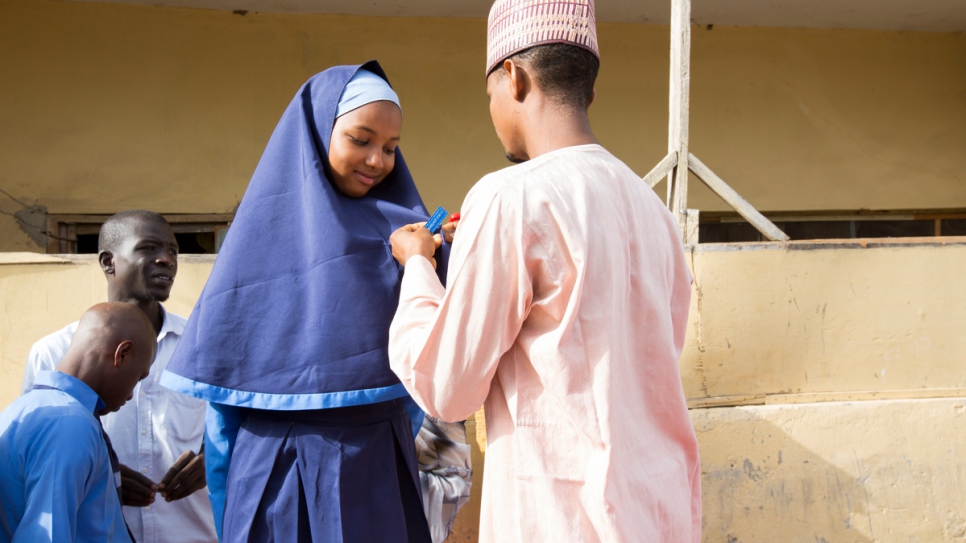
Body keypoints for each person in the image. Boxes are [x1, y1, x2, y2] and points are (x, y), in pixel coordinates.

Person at [387, 1, 702, 541]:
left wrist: (419, 269)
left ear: (513, 76)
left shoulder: (510, 196)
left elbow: (447, 386)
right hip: (659, 513)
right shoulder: (653, 211)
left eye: (488, 93)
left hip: (563, 520)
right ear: (590, 92)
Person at [161, 61, 467, 543]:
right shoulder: (257, 245)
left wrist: (440, 256)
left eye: (391, 148)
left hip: (372, 467)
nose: (377, 161)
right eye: (360, 139)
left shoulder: (410, 242)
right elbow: (223, 409)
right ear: (317, 131)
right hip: (286, 472)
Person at [21, 211, 217, 543]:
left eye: (173, 251)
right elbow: (38, 457)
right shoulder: (53, 354)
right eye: (149, 247)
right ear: (109, 262)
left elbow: (238, 428)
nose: (166, 259)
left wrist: (213, 457)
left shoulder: (205, 346)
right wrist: (98, 476)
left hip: (194, 533)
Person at [1, 302, 157, 543]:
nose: (130, 395)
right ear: (122, 354)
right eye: (139, 377)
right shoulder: (68, 424)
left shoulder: (20, 409)